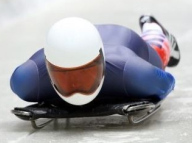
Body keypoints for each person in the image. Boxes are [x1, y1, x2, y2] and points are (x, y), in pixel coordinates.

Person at [10, 15, 180, 109]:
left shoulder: (134, 72)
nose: (76, 86)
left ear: (102, 60)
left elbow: (168, 81)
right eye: (64, 77)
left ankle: (152, 27)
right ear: (48, 68)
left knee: (157, 53)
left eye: (86, 73)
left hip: (123, 39)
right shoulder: (26, 80)